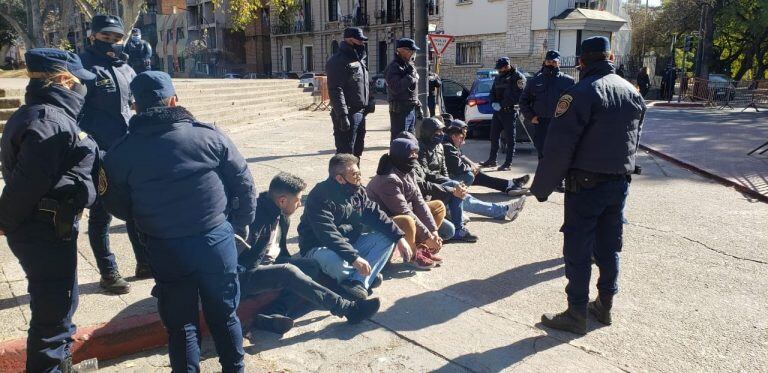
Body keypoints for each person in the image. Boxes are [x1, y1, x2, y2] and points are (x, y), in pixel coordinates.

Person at [101, 71, 257, 371]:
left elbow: (117, 205)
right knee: (224, 316)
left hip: (165, 246)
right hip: (215, 240)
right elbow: (244, 185)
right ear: (173, 100)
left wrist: (150, 217)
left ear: (136, 107)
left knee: (181, 325)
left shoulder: (120, 152)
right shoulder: (209, 135)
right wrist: (238, 225)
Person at [530, 37, 646, 335]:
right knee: (609, 247)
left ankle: (576, 313)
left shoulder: (579, 93)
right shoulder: (632, 92)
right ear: (610, 55)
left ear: (581, 61)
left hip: (586, 186)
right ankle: (604, 307)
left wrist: (541, 188)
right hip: (618, 184)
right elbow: (634, 140)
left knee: (579, 249)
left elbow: (559, 146)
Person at [0, 48, 98, 373]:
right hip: (43, 232)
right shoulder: (50, 122)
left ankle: (62, 365)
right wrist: (4, 221)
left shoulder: (41, 114)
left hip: (44, 228)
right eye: (78, 81)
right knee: (52, 317)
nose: (82, 88)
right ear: (64, 80)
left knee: (60, 304)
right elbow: (26, 185)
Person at [239, 173, 381, 335]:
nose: (300, 204)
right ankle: (348, 309)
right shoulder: (254, 219)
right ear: (282, 200)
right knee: (287, 272)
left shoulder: (281, 215)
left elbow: (279, 251)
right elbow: (235, 258)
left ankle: (272, 314)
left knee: (309, 265)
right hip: (244, 276)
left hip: (266, 267)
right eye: (298, 200)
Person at [78, 14, 142, 294]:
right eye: (106, 37)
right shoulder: (83, 67)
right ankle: (108, 271)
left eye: (117, 37)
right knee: (101, 216)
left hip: (127, 150)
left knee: (136, 211)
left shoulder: (126, 67)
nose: (113, 42)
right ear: (93, 36)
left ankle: (145, 262)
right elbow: (74, 111)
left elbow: (133, 106)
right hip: (99, 152)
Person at [297, 154, 411, 301]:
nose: (359, 177)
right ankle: (365, 277)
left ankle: (359, 283)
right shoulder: (320, 196)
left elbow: (376, 214)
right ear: (340, 178)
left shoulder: (358, 191)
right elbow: (328, 234)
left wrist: (399, 237)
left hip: (350, 243)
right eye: (355, 174)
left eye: (359, 173)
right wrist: (354, 258)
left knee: (387, 237)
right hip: (319, 247)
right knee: (334, 261)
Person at [418, 118, 527, 223]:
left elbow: (444, 170)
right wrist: (448, 186)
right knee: (463, 194)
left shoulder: (439, 147)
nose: (441, 134)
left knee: (463, 191)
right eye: (438, 132)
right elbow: (426, 174)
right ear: (429, 133)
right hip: (429, 188)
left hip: (440, 182)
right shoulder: (421, 148)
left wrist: (448, 182)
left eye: (442, 131)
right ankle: (504, 210)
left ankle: (504, 207)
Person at [367, 138, 451, 269]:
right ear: (400, 154)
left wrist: (434, 232)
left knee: (438, 206)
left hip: (400, 215)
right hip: (380, 223)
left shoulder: (408, 170)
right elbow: (402, 211)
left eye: (416, 153)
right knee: (407, 220)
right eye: (411, 153)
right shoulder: (388, 179)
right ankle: (413, 256)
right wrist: (427, 235)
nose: (415, 156)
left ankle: (421, 248)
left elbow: (419, 202)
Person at [396, 131, 478, 243]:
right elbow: (422, 186)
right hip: (408, 214)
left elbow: (427, 174)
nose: (415, 153)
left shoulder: (412, 160)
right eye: (412, 150)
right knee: (449, 231)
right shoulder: (396, 171)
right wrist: (450, 190)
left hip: (422, 201)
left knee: (456, 185)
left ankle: (459, 227)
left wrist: (450, 183)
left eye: (416, 149)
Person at [443, 119, 530, 197]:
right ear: (453, 135)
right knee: (470, 175)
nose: (463, 140)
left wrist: (473, 166)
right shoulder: (447, 146)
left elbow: (461, 156)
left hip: (451, 174)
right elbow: (457, 167)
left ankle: (509, 185)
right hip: (446, 179)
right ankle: (456, 197)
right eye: (462, 137)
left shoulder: (451, 141)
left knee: (479, 174)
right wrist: (470, 169)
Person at [326, 27, 375, 158]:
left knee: (357, 151)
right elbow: (335, 89)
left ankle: (355, 177)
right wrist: (342, 115)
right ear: (349, 40)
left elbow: (365, 84)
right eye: (359, 40)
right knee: (345, 154)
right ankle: (340, 179)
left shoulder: (359, 61)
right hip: (347, 113)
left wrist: (370, 101)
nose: (362, 43)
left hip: (360, 113)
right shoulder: (338, 61)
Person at [519, 50, 576, 160]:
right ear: (544, 62)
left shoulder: (568, 81)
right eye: (549, 61)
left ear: (558, 63)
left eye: (554, 62)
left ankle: (557, 177)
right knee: (542, 154)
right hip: (541, 123)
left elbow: (574, 103)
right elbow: (523, 101)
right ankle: (543, 176)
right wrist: (531, 117)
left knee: (560, 155)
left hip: (560, 123)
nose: (551, 64)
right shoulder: (535, 81)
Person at [480, 57, 526, 171]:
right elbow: (492, 92)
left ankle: (508, 163)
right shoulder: (499, 77)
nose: (499, 71)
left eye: (500, 68)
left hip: (509, 111)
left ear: (507, 66)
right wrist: (493, 102)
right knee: (493, 136)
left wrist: (502, 104)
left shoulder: (518, 77)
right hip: (498, 111)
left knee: (510, 138)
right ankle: (492, 160)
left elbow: (518, 96)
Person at [385, 38, 422, 140]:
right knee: (400, 140)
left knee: (410, 140)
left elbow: (411, 90)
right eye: (411, 51)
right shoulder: (394, 67)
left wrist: (417, 104)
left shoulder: (408, 65)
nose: (413, 53)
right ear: (402, 51)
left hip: (410, 109)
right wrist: (411, 77)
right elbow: (396, 88)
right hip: (400, 111)